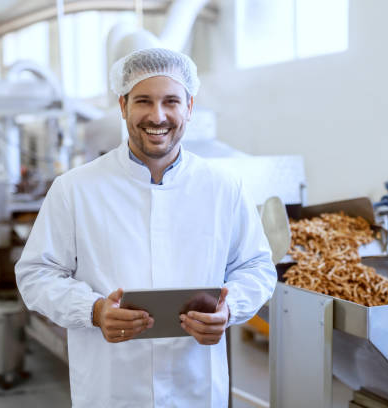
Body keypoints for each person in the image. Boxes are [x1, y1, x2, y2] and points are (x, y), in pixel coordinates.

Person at [15, 48, 276, 407]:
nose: (158, 115)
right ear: (122, 106)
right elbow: (37, 273)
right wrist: (93, 310)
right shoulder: (75, 189)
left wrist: (230, 310)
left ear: (189, 107)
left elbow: (257, 266)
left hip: (195, 385)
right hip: (112, 388)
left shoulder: (223, 187)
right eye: (143, 101)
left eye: (171, 101)